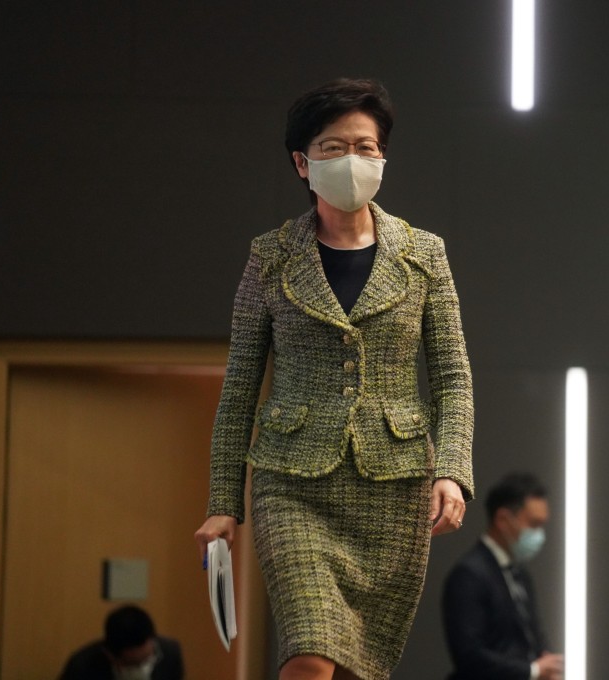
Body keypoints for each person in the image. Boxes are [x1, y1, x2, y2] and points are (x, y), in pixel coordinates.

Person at [193, 77, 474, 680]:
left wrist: (453, 469)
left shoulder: (425, 253)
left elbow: (452, 375)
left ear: (383, 155)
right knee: (310, 654)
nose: (353, 159)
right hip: (291, 483)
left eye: (366, 146)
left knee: (355, 669)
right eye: (333, 147)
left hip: (393, 485)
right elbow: (240, 386)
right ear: (302, 162)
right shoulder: (269, 256)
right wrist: (224, 502)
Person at [442, 472, 563, 680]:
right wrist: (533, 671)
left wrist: (549, 665)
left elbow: (533, 636)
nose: (539, 535)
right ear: (503, 519)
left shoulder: (520, 574)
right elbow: (469, 657)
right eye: (534, 524)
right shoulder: (468, 575)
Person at [58, 604, 184, 680]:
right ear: (110, 655)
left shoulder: (169, 653)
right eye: (133, 664)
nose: (142, 668)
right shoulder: (82, 667)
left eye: (147, 660)